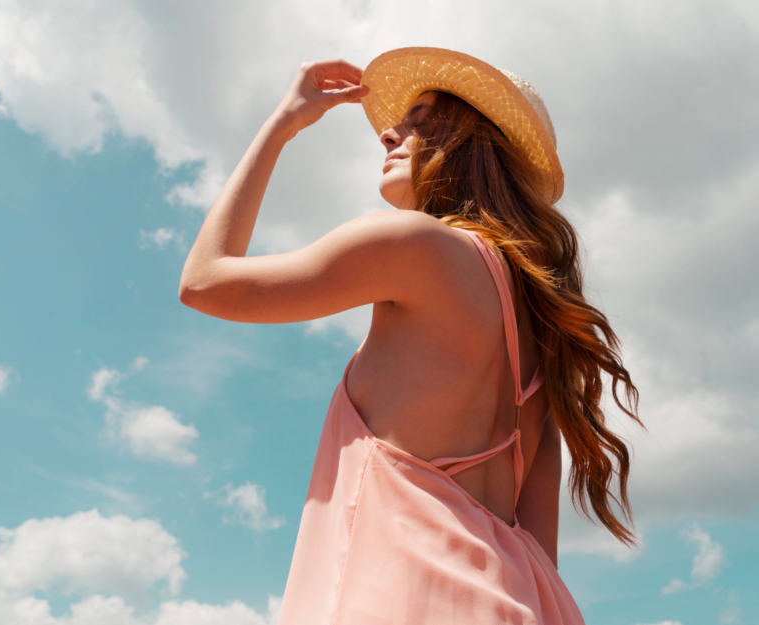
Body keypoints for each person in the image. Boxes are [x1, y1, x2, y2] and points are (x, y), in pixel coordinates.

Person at [180, 47, 642, 624]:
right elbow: (540, 551)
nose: (390, 134)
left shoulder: (410, 245)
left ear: (475, 149)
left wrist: (281, 126)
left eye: (422, 123)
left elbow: (203, 283)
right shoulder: (546, 338)